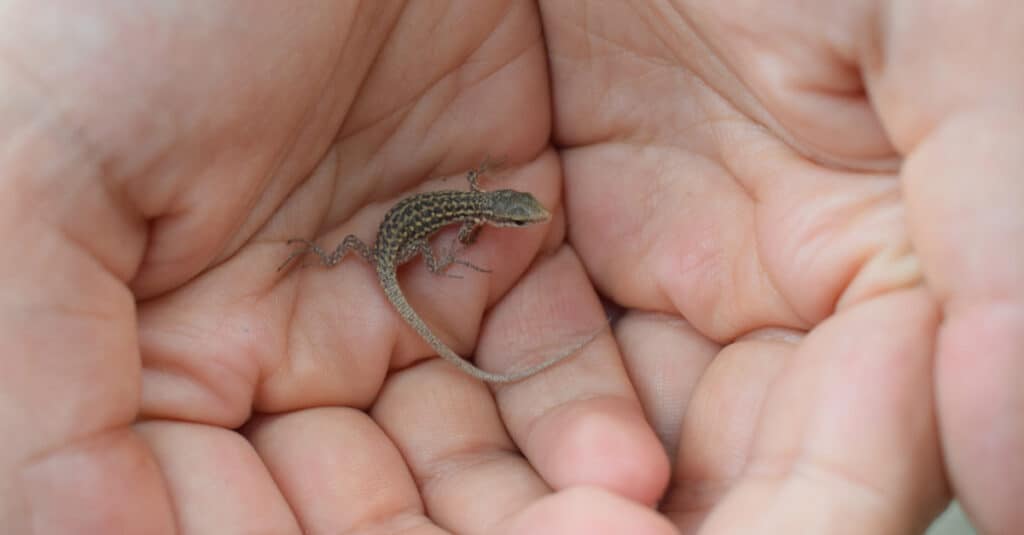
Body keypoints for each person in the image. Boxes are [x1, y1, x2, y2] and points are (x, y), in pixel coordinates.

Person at [2, 2, 1018, 533]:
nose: (523, 219)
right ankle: (352, 277)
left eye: (515, 214)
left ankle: (356, 278)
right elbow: (443, 232)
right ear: (500, 213)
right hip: (380, 245)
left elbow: (466, 216)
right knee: (365, 258)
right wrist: (423, 255)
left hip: (383, 240)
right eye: (516, 215)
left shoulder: (477, 215)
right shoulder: (464, 225)